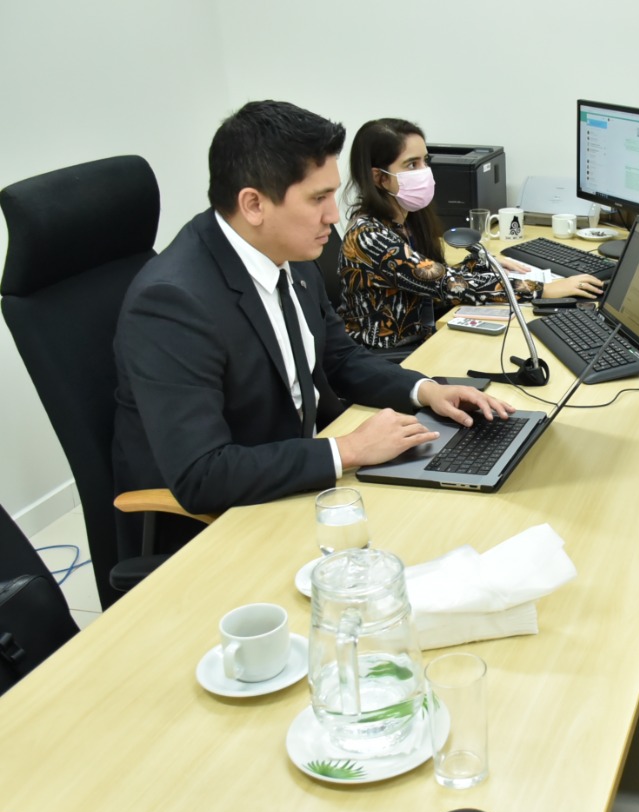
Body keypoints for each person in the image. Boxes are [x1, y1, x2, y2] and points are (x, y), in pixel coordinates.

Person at [113, 101, 515, 529]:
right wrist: (348, 450)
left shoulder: (290, 252)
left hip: (297, 473)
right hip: (221, 519)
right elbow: (203, 474)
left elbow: (339, 358)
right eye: (318, 198)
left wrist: (427, 391)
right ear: (253, 205)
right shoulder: (172, 304)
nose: (334, 215)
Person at [338, 118, 604, 350]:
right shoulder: (369, 237)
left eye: (425, 161)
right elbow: (449, 285)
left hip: (423, 334)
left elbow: (431, 275)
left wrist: (483, 264)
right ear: (379, 178)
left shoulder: (405, 219)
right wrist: (545, 289)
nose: (424, 172)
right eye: (411, 165)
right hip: (390, 354)